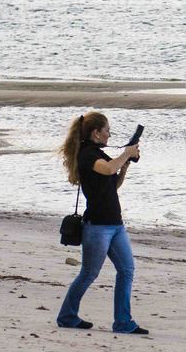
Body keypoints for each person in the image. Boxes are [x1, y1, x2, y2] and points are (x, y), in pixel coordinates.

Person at [56, 111, 147, 334]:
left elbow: (112, 184)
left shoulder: (99, 154)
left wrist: (125, 165)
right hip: (97, 226)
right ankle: (67, 316)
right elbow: (107, 169)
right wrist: (126, 153)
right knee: (89, 273)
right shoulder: (87, 154)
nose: (109, 135)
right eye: (107, 131)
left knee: (127, 270)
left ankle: (123, 322)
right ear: (96, 132)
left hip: (115, 224)